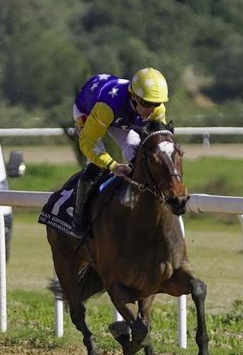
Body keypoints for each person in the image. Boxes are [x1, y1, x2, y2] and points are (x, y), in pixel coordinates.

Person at [67, 67, 169, 236]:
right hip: (89, 109)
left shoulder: (157, 110)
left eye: (156, 104)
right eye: (146, 103)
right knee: (95, 164)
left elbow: (159, 144)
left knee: (137, 151)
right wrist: (112, 164)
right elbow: (87, 142)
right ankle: (79, 220)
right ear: (134, 96)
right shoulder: (106, 107)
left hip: (122, 116)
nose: (151, 110)